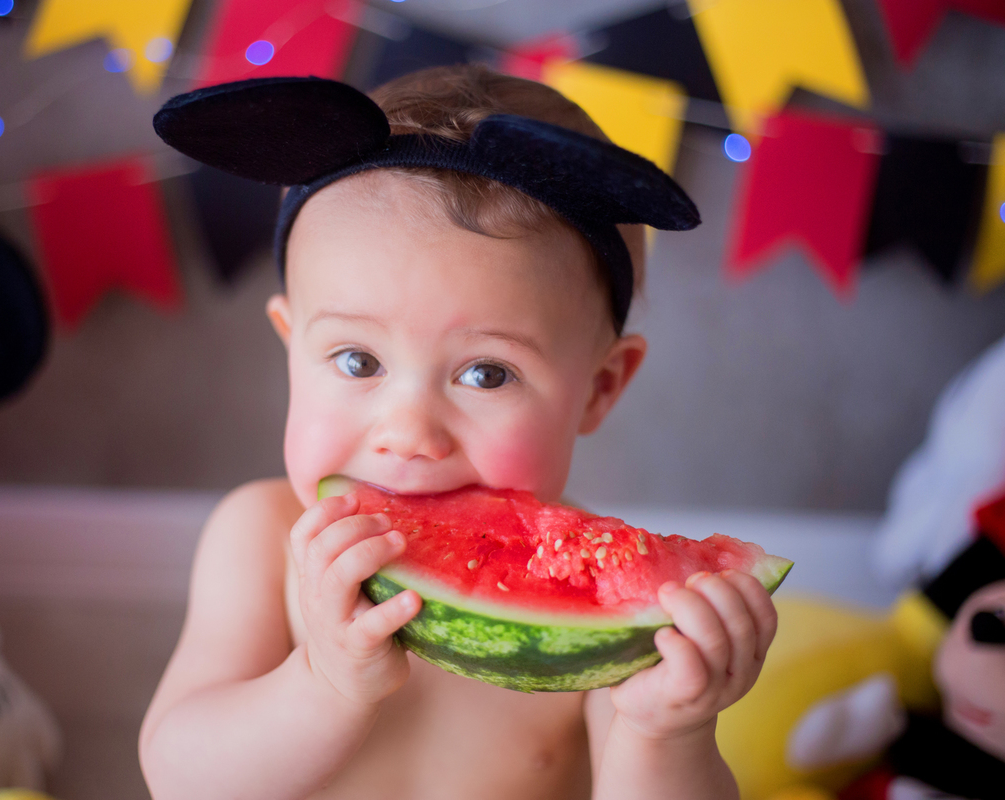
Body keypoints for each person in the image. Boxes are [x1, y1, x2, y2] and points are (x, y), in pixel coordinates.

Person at [138, 64, 778, 800]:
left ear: (601, 388)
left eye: (487, 375)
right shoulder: (256, 534)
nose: (408, 432)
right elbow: (180, 777)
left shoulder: (606, 607)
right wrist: (322, 683)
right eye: (358, 360)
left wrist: (668, 733)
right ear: (291, 346)